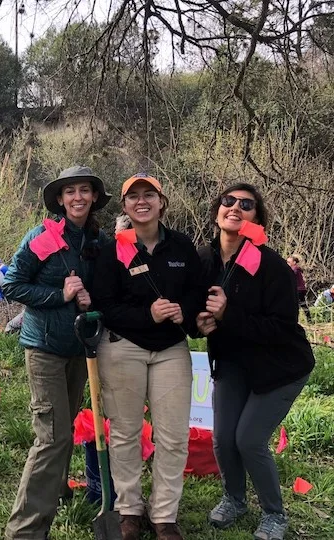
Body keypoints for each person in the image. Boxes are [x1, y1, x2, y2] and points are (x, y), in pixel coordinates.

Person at [196, 183, 314, 540]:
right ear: (217, 210)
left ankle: (274, 515)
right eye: (228, 201)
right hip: (233, 362)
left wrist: (229, 313)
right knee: (222, 438)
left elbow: (280, 328)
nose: (235, 208)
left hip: (279, 367)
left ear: (256, 219)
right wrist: (196, 324)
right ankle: (234, 499)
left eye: (246, 205)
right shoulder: (205, 259)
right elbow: (193, 308)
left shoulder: (273, 266)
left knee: (248, 439)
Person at [90, 173, 203, 540]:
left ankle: (164, 516)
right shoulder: (113, 251)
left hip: (171, 350)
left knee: (173, 436)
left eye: (149, 195)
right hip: (123, 346)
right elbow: (105, 305)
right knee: (125, 433)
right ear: (124, 206)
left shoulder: (183, 247)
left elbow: (197, 296)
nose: (142, 201)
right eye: (133, 196)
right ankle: (129, 510)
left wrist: (183, 311)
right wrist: (146, 315)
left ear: (161, 202)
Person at [3, 165, 111, 540]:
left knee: (63, 427)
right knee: (51, 437)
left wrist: (90, 298)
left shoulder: (99, 241)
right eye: (70, 192)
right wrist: (59, 296)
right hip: (45, 348)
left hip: (81, 351)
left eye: (84, 190)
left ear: (94, 197)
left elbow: (107, 291)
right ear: (60, 200)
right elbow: (12, 285)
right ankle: (25, 531)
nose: (77, 197)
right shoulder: (43, 238)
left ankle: (58, 488)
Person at [286, 255, 311, 323]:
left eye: (288, 262)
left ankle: (295, 320)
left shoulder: (294, 269)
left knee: (295, 305)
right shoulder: (296, 269)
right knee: (303, 304)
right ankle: (309, 319)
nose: (287, 263)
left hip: (298, 290)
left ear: (294, 262)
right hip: (301, 289)